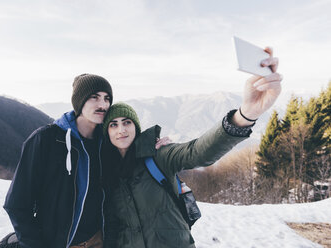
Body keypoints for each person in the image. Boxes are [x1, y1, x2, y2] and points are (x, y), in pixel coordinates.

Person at [101, 48, 282, 248]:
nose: (121, 130)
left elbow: (198, 152)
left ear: (136, 126)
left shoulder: (158, 156)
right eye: (113, 124)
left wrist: (245, 115)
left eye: (126, 122)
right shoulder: (102, 170)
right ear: (106, 132)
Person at [3, 74, 113, 248]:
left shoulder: (108, 142)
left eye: (107, 98)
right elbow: (17, 204)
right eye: (95, 97)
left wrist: (159, 145)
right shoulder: (46, 140)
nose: (103, 105)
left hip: (98, 241)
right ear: (79, 101)